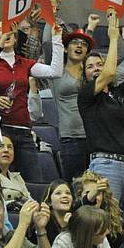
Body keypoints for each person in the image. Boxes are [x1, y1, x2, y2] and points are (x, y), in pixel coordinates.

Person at [77, 9, 124, 215]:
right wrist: (113, 38)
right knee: (105, 217)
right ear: (85, 73)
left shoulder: (118, 92)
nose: (96, 68)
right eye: (90, 66)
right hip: (106, 163)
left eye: (99, 63)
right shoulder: (87, 95)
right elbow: (110, 72)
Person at [0, 21, 63, 182]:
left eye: (9, 30)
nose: (5, 32)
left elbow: (55, 72)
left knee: (34, 181)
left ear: (16, 37)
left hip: (24, 131)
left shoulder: (25, 63)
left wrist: (57, 38)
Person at [51, 27, 95, 181]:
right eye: (75, 42)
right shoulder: (56, 72)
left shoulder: (90, 74)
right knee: (74, 185)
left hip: (94, 137)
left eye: (83, 44)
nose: (79, 46)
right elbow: (46, 43)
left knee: (95, 186)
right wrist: (53, 12)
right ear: (65, 49)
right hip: (71, 138)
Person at [52, 205, 120, 248]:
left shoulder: (102, 240)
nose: (107, 232)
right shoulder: (64, 241)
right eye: (102, 231)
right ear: (88, 234)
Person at [73, 170, 124, 248]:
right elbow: (83, 205)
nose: (95, 197)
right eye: (88, 192)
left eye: (98, 193)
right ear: (80, 196)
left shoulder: (112, 217)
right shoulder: (75, 213)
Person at [0, 135, 32, 206]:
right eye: (0, 146)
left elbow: (30, 201)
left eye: (10, 147)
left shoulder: (17, 177)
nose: (6, 150)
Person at [41, 179, 74, 244]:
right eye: (58, 193)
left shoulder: (77, 219)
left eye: (68, 193)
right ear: (49, 202)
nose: (65, 196)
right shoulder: (43, 222)